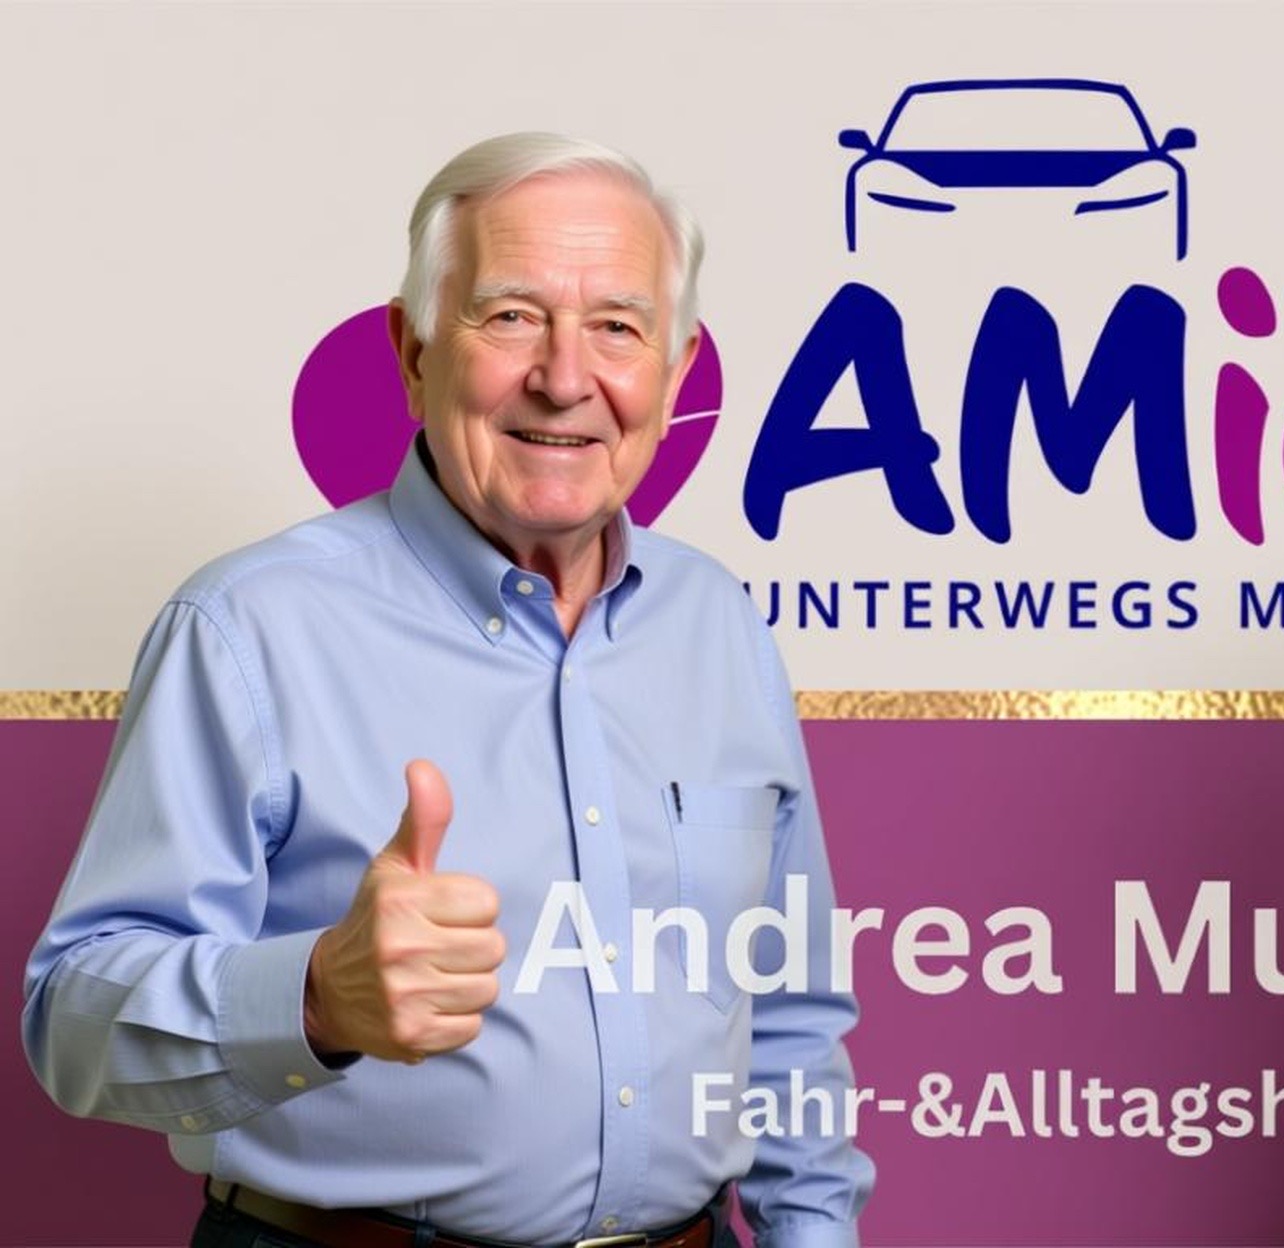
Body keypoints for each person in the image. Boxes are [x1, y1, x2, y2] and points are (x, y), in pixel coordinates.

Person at [24, 133, 873, 1248]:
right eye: (511, 314)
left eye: (617, 327)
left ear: (674, 371)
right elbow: (71, 1018)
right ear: (412, 347)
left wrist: (814, 1235)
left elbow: (786, 1011)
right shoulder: (248, 627)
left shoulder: (718, 626)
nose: (565, 378)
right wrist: (317, 997)